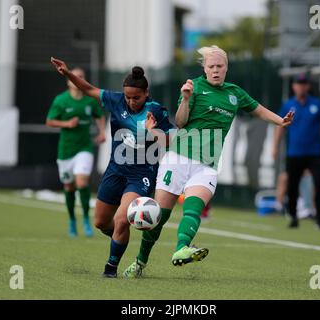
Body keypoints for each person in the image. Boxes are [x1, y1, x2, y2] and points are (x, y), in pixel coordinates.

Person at [123, 45, 294, 277]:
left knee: (194, 207)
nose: (215, 70)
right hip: (179, 158)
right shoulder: (193, 87)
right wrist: (185, 99)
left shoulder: (235, 93)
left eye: (219, 66)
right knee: (159, 217)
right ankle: (140, 262)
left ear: (226, 68)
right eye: (211, 66)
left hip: (208, 164)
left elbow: (258, 110)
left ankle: (181, 248)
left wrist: (280, 121)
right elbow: (181, 123)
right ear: (204, 68)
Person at [50, 57, 174, 278]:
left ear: (146, 93)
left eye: (136, 97)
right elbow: (89, 89)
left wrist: (152, 130)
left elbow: (169, 141)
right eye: (128, 97)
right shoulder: (116, 101)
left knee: (120, 219)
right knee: (101, 222)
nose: (131, 101)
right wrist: (68, 74)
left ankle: (110, 268)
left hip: (141, 174)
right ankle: (120, 234)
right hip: (115, 170)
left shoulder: (156, 111)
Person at [46, 67, 106, 238]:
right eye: (75, 76)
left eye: (81, 76)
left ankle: (86, 220)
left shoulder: (89, 100)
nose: (78, 78)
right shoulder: (61, 100)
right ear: (69, 81)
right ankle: (72, 219)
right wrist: (66, 124)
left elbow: (99, 116)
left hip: (84, 147)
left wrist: (102, 132)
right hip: (65, 150)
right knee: (69, 186)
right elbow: (49, 121)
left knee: (82, 182)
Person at [273, 73, 320, 230]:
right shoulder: (288, 105)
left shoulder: (317, 104)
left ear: (308, 86)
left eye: (304, 84)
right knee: (292, 185)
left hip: (314, 153)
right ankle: (293, 216)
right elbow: (280, 126)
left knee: (319, 183)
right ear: (294, 86)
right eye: (298, 84)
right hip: (294, 153)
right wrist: (275, 147)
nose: (301, 87)